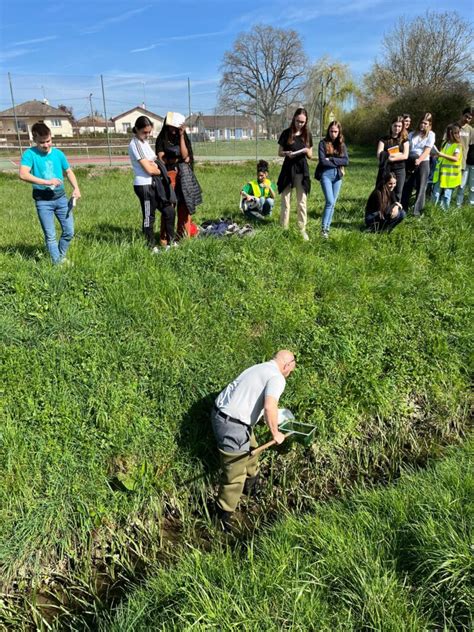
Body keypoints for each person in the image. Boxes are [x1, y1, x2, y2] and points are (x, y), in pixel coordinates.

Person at [211, 350, 296, 530]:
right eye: (291, 371)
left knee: (253, 449)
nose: (289, 375)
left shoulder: (260, 367)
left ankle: (251, 488)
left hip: (223, 415)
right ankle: (222, 516)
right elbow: (269, 406)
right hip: (232, 424)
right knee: (235, 472)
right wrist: (276, 434)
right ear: (287, 365)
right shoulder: (277, 378)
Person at [19, 122, 81, 264]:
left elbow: (69, 171)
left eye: (48, 141)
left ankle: (60, 256)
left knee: (69, 232)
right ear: (34, 140)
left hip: (61, 199)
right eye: (42, 142)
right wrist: (46, 182)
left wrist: (76, 188)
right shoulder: (29, 154)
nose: (46, 145)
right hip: (43, 201)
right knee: (50, 235)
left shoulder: (58, 154)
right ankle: (58, 263)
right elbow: (23, 174)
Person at [128, 115, 175, 251]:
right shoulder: (135, 144)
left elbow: (156, 161)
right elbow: (149, 169)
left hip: (155, 184)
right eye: (144, 132)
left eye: (149, 132)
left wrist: (157, 166)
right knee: (149, 216)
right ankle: (151, 247)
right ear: (136, 129)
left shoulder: (144, 142)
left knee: (169, 211)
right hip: (144, 186)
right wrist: (161, 171)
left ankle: (171, 243)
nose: (147, 135)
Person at [155, 114, 201, 243]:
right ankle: (165, 238)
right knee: (169, 207)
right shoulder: (162, 139)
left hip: (184, 175)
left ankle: (182, 236)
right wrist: (177, 159)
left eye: (177, 127)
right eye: (172, 127)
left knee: (184, 206)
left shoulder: (181, 136)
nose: (174, 130)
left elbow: (186, 155)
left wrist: (181, 135)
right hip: (169, 176)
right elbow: (162, 158)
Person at [277, 108, 313, 240]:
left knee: (302, 201)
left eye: (303, 122)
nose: (300, 124)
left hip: (301, 170)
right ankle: (283, 228)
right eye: (298, 121)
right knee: (285, 201)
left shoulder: (307, 134)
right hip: (288, 169)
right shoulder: (286, 133)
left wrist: (305, 151)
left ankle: (302, 229)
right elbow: (279, 152)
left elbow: (310, 155)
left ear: (306, 122)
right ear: (294, 119)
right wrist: (286, 153)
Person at [315, 120, 349, 238]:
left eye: (335, 131)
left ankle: (327, 229)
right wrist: (337, 161)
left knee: (333, 203)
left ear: (339, 132)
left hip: (338, 175)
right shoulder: (322, 143)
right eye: (331, 131)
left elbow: (346, 161)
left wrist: (332, 160)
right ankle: (323, 229)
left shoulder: (342, 144)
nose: (333, 133)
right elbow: (323, 161)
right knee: (329, 201)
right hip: (326, 175)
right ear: (328, 131)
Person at [401, 113, 436, 217]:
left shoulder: (431, 134)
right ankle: (403, 208)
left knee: (421, 187)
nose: (423, 125)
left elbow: (427, 150)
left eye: (425, 123)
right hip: (410, 160)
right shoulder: (412, 134)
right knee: (407, 185)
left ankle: (417, 211)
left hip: (423, 161)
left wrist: (419, 160)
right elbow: (408, 148)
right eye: (421, 123)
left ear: (429, 124)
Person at [376, 116, 409, 202]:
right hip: (386, 169)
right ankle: (381, 210)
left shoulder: (405, 141)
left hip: (399, 170)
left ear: (402, 127)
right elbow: (379, 154)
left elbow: (405, 156)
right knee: (382, 191)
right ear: (391, 126)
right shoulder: (383, 139)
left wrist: (389, 157)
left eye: (399, 126)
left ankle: (395, 212)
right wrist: (397, 155)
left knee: (398, 192)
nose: (397, 128)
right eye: (395, 126)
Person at [431, 124, 462, 210]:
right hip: (441, 174)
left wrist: (442, 155)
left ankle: (444, 212)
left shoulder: (458, 145)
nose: (457, 135)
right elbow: (442, 156)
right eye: (455, 133)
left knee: (446, 195)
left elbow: (455, 158)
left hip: (450, 176)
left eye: (457, 133)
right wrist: (437, 155)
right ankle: (432, 210)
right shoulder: (445, 143)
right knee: (435, 193)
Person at [456, 107, 473, 207]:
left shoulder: (471, 130)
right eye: (466, 116)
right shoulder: (453, 126)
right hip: (453, 160)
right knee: (459, 186)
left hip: (465, 162)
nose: (467, 119)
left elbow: (471, 146)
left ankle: (470, 207)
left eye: (470, 118)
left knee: (470, 187)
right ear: (462, 115)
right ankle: (454, 205)